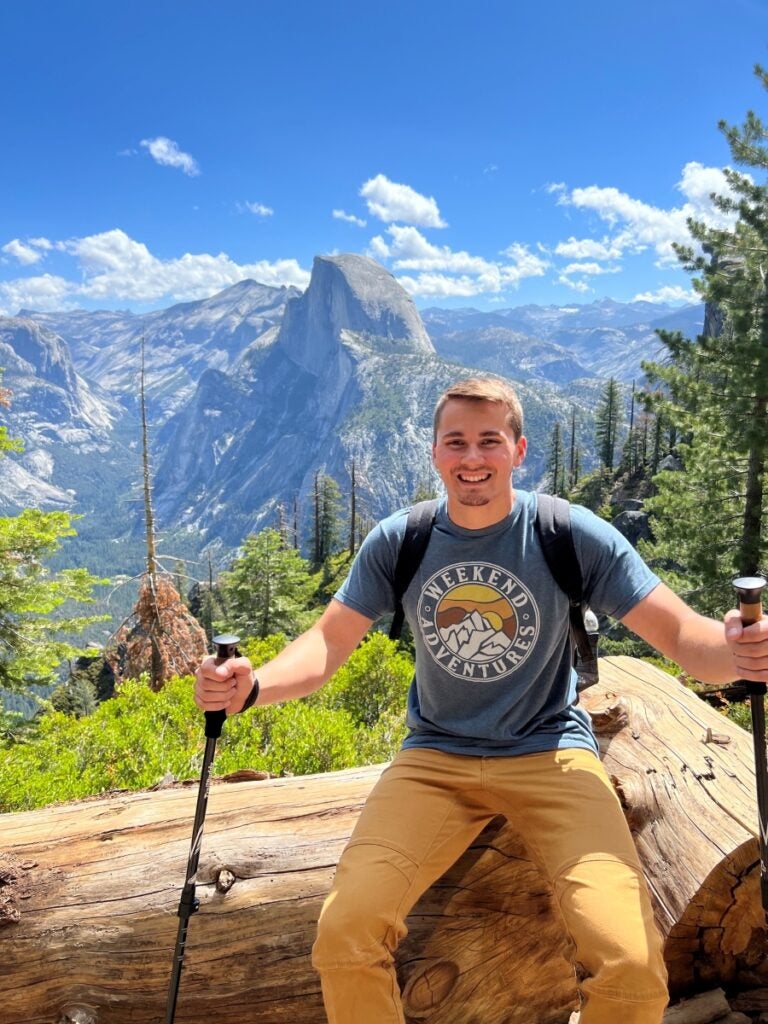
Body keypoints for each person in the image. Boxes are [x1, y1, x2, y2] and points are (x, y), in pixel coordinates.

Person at [195, 376, 768, 1024]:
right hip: (433, 761)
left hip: (552, 754)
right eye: (457, 442)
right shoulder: (401, 541)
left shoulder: (569, 535)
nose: (472, 458)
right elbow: (326, 648)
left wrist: (739, 649)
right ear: (436, 452)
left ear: (518, 450)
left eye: (489, 441)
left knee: (633, 970)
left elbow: (685, 639)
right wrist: (251, 688)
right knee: (345, 936)